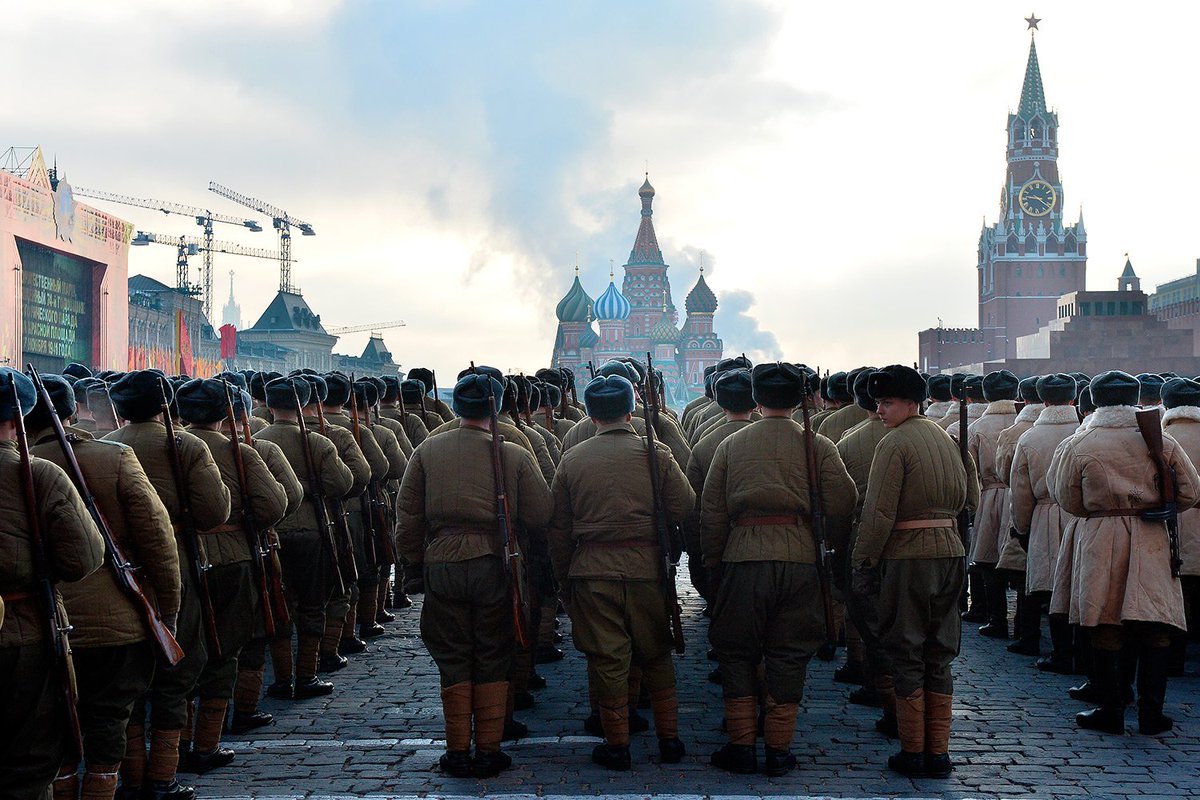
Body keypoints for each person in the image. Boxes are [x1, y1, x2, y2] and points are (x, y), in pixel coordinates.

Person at [27, 374, 180, 800]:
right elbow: (156, 538)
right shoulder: (113, 456)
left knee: (50, 729)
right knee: (109, 719)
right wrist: (168, 607)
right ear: (74, 411)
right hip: (113, 617)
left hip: (36, 623)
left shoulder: (21, 466)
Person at [703, 363, 857, 776]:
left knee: (736, 652)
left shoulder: (731, 445)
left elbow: (713, 513)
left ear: (756, 399)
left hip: (743, 556)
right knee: (789, 654)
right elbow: (844, 500)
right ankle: (778, 749)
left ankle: (740, 746)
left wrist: (713, 563)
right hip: (802, 557)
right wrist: (825, 542)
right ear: (800, 399)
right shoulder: (818, 445)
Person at [397, 373, 552, 778]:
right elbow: (541, 515)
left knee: (452, 656)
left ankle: (457, 751)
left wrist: (415, 565)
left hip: (442, 563)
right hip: (495, 563)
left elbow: (409, 517)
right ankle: (488, 749)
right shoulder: (513, 453)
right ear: (496, 407)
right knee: (493, 654)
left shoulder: (427, 451)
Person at [548, 374, 694, 771]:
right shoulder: (656, 452)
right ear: (631, 411)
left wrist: (565, 580)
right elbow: (684, 505)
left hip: (592, 572)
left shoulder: (572, 459)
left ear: (591, 415)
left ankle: (617, 745)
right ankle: (670, 740)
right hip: (647, 569)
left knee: (608, 658)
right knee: (656, 653)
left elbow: (558, 529)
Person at [1048, 370, 1199, 735]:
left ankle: (1111, 709)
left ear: (1095, 401)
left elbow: (1067, 498)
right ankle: (1152, 713)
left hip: (1101, 534)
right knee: (1155, 623)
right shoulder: (1159, 439)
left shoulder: (1079, 443)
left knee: (1105, 622)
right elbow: (1191, 491)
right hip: (1152, 535)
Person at [104, 370, 232, 800]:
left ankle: (134, 776)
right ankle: (162, 777)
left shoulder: (106, 448)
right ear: (165, 405)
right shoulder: (184, 445)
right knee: (176, 669)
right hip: (174, 558)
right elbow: (213, 509)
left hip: (117, 568)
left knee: (130, 674)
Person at [851, 365, 979, 779]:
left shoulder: (894, 443)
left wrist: (863, 560)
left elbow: (879, 512)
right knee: (939, 653)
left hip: (908, 557)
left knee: (905, 650)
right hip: (950, 552)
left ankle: (913, 751)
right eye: (879, 403)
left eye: (887, 402)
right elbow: (970, 497)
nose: (881, 410)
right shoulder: (947, 437)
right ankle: (937, 752)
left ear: (910, 403)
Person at [174, 378, 289, 774]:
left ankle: (178, 746)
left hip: (178, 562)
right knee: (225, 650)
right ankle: (205, 745)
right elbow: (274, 505)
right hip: (231, 557)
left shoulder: (159, 445)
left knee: (185, 651)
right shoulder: (239, 451)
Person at [0, 368, 105, 800]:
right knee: (28, 764)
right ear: (18, 418)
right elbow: (84, 557)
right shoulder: (39, 474)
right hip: (22, 635)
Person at [254, 376, 354, 702]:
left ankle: (283, 679)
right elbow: (341, 484)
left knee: (278, 605)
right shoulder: (319, 441)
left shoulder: (253, 440)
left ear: (269, 405)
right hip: (311, 530)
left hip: (270, 533)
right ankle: (306, 675)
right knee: (313, 604)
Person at [1006, 374, 1078, 671]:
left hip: (1045, 515)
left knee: (1050, 585)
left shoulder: (1029, 437)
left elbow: (1020, 492)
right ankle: (1082, 654)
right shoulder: (1083, 429)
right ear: (1073, 399)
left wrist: (1021, 528)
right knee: (1078, 584)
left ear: (1043, 401)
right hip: (1081, 515)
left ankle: (1060, 652)